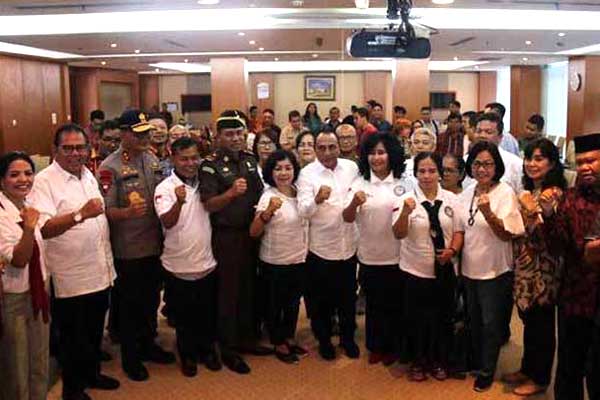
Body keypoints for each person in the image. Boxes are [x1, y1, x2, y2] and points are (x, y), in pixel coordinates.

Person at [30, 124, 119, 399]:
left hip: (99, 269)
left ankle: (91, 374)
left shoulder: (87, 174)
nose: (75, 153)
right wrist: (80, 215)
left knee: (94, 331)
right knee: (72, 338)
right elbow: (43, 228)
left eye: (80, 147)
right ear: (55, 150)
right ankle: (73, 389)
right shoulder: (44, 182)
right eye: (67, 148)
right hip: (71, 278)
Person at [98, 109, 175, 382]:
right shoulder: (111, 166)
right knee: (130, 306)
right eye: (138, 133)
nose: (145, 137)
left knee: (150, 300)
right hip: (128, 249)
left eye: (146, 132)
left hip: (154, 244)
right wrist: (127, 213)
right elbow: (105, 211)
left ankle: (148, 344)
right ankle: (131, 357)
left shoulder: (152, 158)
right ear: (124, 134)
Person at [199, 110, 271, 375]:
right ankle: (228, 348)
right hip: (226, 236)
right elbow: (208, 204)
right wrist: (230, 193)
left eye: (239, 133)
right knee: (229, 293)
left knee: (250, 288)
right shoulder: (210, 165)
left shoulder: (250, 160)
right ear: (218, 137)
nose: (236, 138)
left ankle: (248, 339)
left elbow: (261, 193)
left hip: (252, 233)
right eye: (229, 134)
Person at [500, 138, 567, 396]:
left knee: (542, 327)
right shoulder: (531, 191)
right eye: (529, 158)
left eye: (539, 159)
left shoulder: (553, 195)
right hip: (525, 268)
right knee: (529, 323)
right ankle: (527, 369)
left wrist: (530, 212)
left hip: (544, 271)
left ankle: (539, 378)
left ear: (551, 163)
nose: (531, 164)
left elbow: (546, 239)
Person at [459, 141, 525, 392]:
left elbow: (507, 235)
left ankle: (487, 371)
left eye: (487, 164)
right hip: (469, 270)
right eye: (477, 164)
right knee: (474, 321)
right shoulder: (467, 193)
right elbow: (460, 231)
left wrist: (488, 213)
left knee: (492, 324)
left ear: (496, 166)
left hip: (496, 271)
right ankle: (477, 363)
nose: (482, 169)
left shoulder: (505, 192)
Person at [343, 134, 413, 366]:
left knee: (397, 304)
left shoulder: (404, 182)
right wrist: (354, 202)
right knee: (374, 305)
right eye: (372, 153)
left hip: (399, 255)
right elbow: (347, 217)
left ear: (391, 154)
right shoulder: (360, 183)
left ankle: (394, 346)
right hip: (370, 255)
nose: (376, 158)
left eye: (381, 152)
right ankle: (376, 346)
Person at [393, 152, 463, 381]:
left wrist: (452, 251)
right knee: (417, 320)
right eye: (421, 171)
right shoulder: (406, 198)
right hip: (415, 270)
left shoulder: (452, 199)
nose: (427, 175)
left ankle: (439, 360)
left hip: (445, 270)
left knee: (442, 318)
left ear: (440, 174)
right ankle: (418, 361)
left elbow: (459, 231)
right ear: (415, 174)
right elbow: (398, 233)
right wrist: (405, 211)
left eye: (432, 171)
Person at [540, 132, 600, 400]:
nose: (585, 167)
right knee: (569, 365)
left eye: (593, 161)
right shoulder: (570, 198)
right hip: (575, 294)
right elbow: (556, 246)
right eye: (581, 162)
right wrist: (550, 215)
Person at [154, 137, 220, 377]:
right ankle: (188, 354)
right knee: (184, 318)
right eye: (184, 159)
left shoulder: (206, 181)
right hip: (178, 265)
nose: (190, 163)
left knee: (206, 313)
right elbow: (167, 222)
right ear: (173, 159)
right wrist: (179, 202)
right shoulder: (164, 188)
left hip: (207, 262)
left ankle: (207, 351)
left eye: (194, 158)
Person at [297, 131, 360, 360]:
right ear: (315, 148)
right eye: (321, 147)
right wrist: (316, 200)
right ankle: (324, 340)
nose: (327, 152)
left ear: (338, 146)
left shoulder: (351, 168)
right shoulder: (307, 174)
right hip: (321, 249)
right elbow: (302, 211)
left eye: (331, 147)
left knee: (347, 298)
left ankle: (347, 338)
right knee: (321, 300)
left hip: (348, 245)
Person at [249, 150, 308, 364]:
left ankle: (289, 337)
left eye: (288, 168)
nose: (284, 173)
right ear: (270, 172)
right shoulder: (268, 196)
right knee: (276, 304)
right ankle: (277, 341)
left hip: (299, 258)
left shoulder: (299, 191)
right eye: (278, 168)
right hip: (275, 261)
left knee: (293, 302)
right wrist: (267, 213)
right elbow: (254, 232)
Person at [0, 152, 49, 400]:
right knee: (17, 370)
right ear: (1, 180)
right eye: (14, 174)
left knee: (39, 363)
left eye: (28, 173)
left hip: (38, 292)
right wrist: (29, 227)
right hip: (14, 298)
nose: (23, 179)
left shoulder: (27, 206)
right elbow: (19, 260)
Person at [463, 112, 523, 193]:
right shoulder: (465, 160)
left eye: (488, 132)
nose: (482, 135)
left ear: (500, 137)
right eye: (479, 131)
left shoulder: (515, 164)